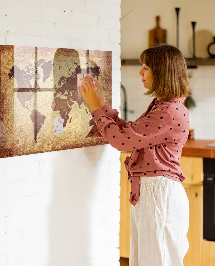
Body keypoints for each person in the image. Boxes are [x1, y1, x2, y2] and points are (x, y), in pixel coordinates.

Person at [79, 44, 191, 266]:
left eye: (146, 67)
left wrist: (94, 109)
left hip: (159, 195)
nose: (140, 72)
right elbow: (131, 133)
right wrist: (101, 105)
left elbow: (122, 141)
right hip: (154, 193)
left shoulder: (168, 111)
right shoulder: (164, 106)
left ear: (162, 72)